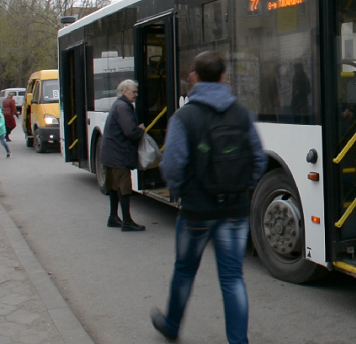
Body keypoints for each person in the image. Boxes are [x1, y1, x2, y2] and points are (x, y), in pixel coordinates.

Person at [151, 51, 267, 344]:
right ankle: (238, 341)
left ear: (194, 77)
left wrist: (181, 193)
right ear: (224, 77)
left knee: (184, 271)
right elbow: (258, 158)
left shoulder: (185, 116)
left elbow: (173, 165)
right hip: (235, 211)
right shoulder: (240, 114)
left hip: (196, 213)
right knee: (232, 278)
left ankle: (172, 325)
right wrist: (243, 188)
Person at [99, 79, 146, 232]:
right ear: (124, 91)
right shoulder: (124, 107)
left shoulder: (118, 105)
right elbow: (130, 131)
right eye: (134, 92)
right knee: (124, 187)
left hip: (111, 153)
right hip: (119, 154)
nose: (136, 95)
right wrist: (140, 129)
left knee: (113, 186)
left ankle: (113, 217)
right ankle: (127, 221)